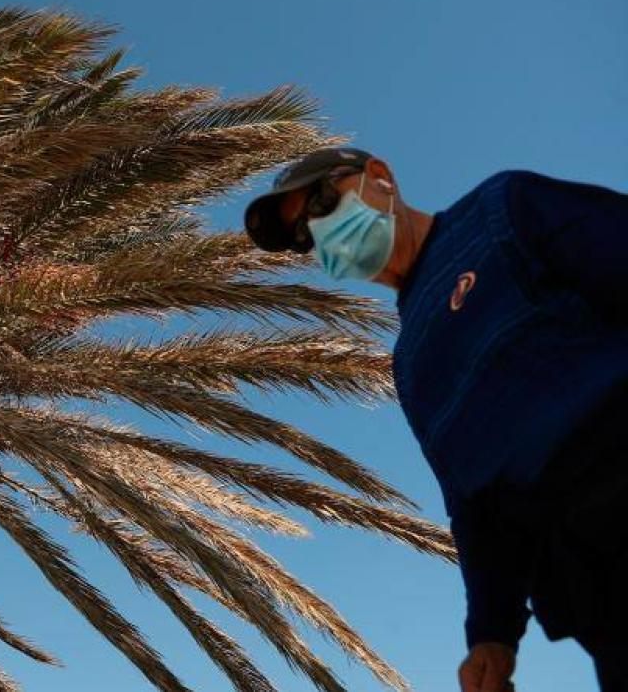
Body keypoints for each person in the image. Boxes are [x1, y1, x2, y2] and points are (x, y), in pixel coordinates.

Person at [242, 147, 628, 691]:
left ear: (379, 177)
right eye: (304, 235)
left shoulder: (500, 212)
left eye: (323, 202)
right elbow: (474, 508)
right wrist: (491, 634)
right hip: (597, 596)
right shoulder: (410, 365)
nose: (320, 232)